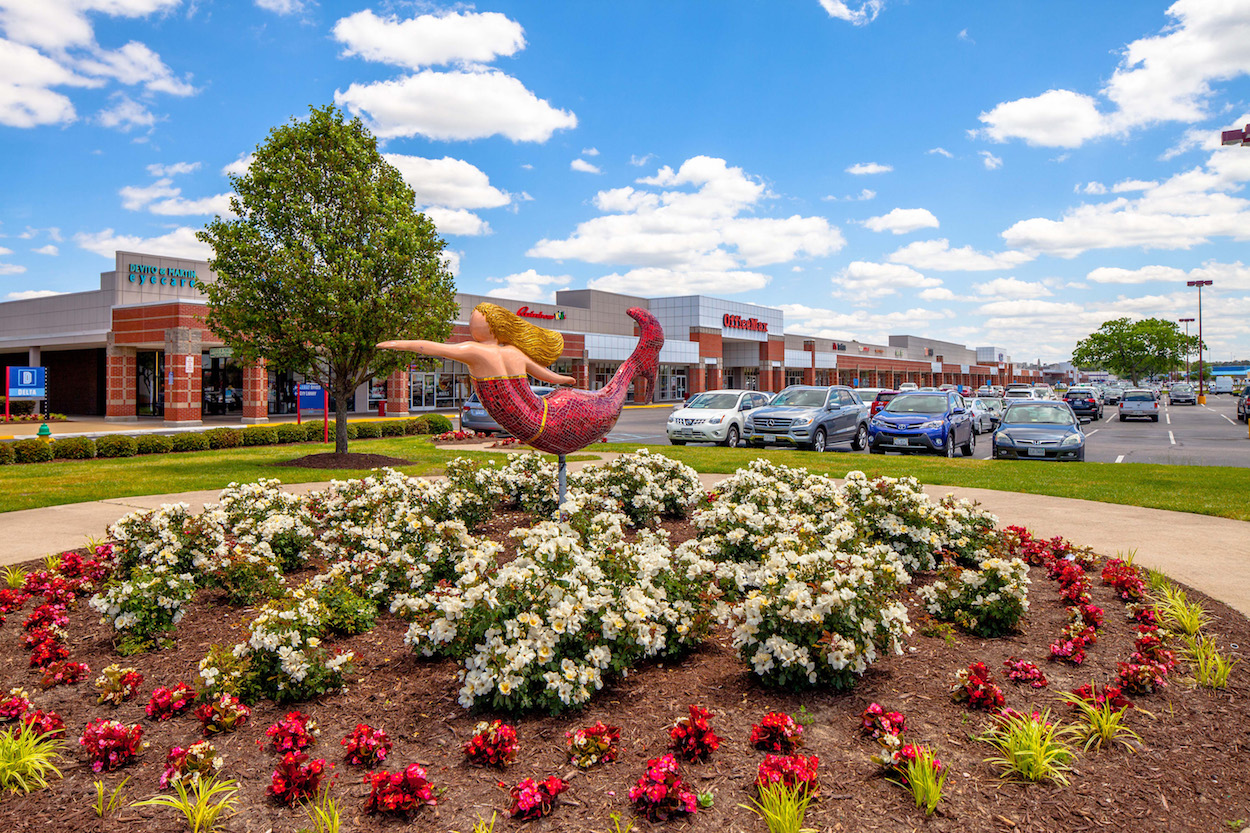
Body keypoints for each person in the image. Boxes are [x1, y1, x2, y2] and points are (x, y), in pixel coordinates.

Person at [379, 303, 663, 455]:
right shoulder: (513, 352)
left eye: (474, 322)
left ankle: (642, 357)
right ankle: (642, 358)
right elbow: (548, 375)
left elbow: (430, 347)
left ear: (489, 327)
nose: (470, 326)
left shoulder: (474, 351)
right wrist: (566, 381)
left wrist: (397, 343)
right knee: (608, 399)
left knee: (608, 401)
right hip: (553, 415)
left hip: (546, 424)